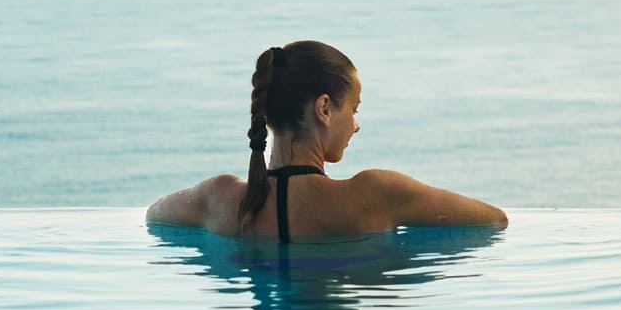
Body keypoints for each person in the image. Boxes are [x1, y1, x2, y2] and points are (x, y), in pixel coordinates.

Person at [146, 41, 507, 240]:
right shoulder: (377, 194)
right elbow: (493, 220)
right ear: (324, 108)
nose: (355, 126)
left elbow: (154, 215)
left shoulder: (219, 199)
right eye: (354, 109)